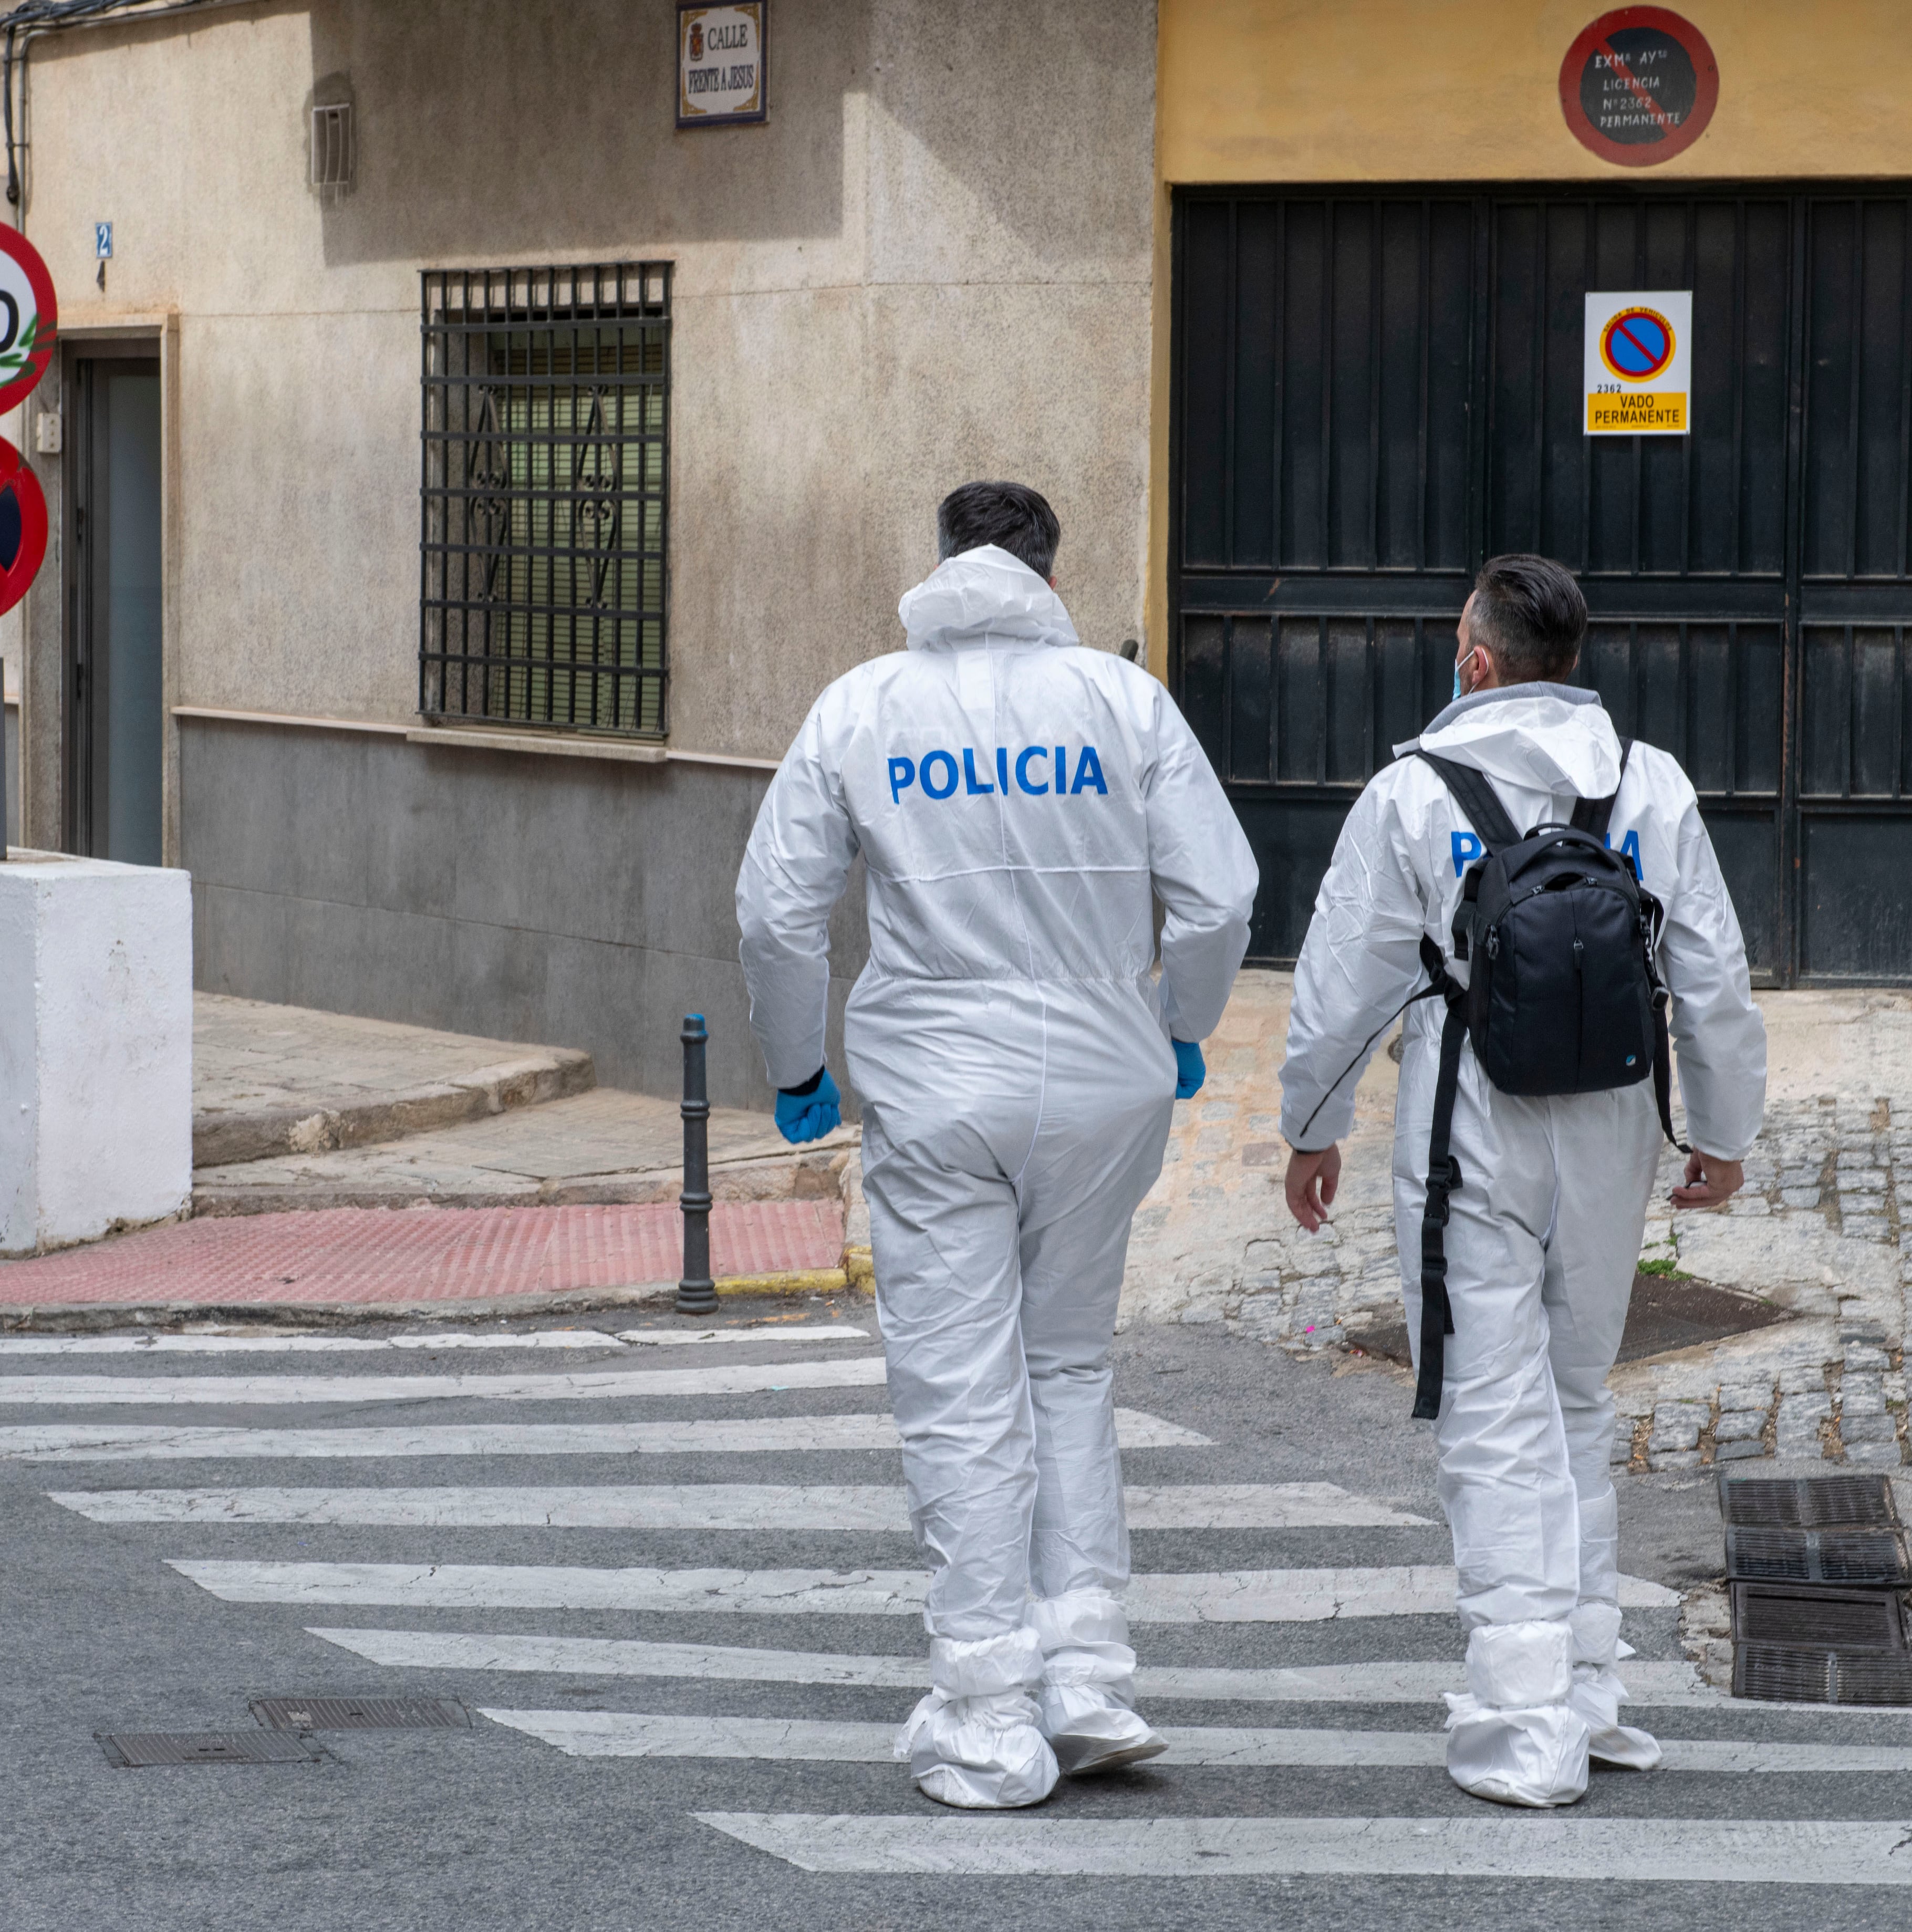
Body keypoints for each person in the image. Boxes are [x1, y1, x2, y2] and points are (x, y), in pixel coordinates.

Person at [737, 481, 1259, 1809]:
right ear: (1045, 567)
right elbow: (1221, 892)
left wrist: (797, 1062)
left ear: (943, 561)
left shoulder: (863, 704)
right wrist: (1178, 1021)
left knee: (964, 1391)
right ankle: (1086, 1669)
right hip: (1101, 1081)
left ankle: (986, 1707)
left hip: (935, 1086)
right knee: (1069, 1365)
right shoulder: (1119, 700)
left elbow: (776, 913)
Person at [1278, 554, 1765, 1809]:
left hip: (1468, 1121)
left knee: (1491, 1413)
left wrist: (1310, 1124)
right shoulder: (1646, 782)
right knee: (1573, 1399)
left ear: (1477, 659)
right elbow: (1708, 968)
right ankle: (1589, 1689)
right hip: (1612, 1118)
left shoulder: (1408, 793)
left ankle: (1521, 1714)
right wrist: (1720, 1128)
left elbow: (1341, 983)